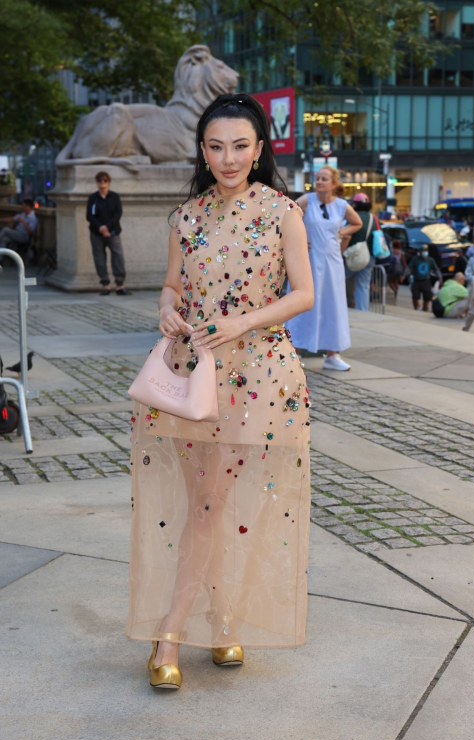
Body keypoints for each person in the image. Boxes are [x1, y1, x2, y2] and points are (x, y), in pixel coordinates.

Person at [128, 93, 314, 690]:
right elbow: (173, 286)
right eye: (216, 146)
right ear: (203, 151)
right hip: (191, 376)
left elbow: (304, 294)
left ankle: (170, 631)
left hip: (258, 376)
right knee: (202, 505)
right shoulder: (186, 217)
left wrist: (243, 320)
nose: (228, 158)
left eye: (240, 146)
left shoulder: (283, 211)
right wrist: (166, 308)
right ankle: (223, 616)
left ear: (261, 149)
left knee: (208, 506)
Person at [286, 167, 362, 371]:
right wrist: (298, 238)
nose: (319, 181)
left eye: (324, 179)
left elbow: (357, 223)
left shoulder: (341, 205)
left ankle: (332, 354)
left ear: (334, 183)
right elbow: (285, 218)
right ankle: (293, 353)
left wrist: (343, 231)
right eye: (317, 178)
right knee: (301, 304)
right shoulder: (306, 200)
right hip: (308, 260)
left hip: (332, 263)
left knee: (332, 306)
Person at [86, 172, 131, 295]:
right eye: (100, 180)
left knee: (118, 256)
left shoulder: (114, 197)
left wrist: (107, 227)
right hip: (97, 232)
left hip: (113, 232)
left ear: (109, 182)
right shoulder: (93, 198)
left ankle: (120, 284)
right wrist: (101, 228)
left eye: (105, 180)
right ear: (96, 182)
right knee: (99, 258)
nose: (102, 182)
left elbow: (118, 214)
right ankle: (105, 284)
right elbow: (89, 216)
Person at [344, 192, 378, 312]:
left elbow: (346, 235)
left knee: (339, 280)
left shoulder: (353, 217)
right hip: (369, 257)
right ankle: (363, 311)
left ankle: (337, 309)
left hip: (352, 256)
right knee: (363, 286)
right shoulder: (373, 217)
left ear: (355, 204)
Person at [407, 245, 442, 311]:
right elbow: (409, 268)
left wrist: (440, 279)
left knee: (427, 298)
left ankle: (425, 309)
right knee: (415, 296)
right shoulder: (415, 259)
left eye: (425, 251)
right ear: (419, 252)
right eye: (422, 251)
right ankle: (416, 308)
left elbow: (436, 270)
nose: (424, 252)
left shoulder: (430, 260)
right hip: (417, 280)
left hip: (426, 281)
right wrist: (404, 275)